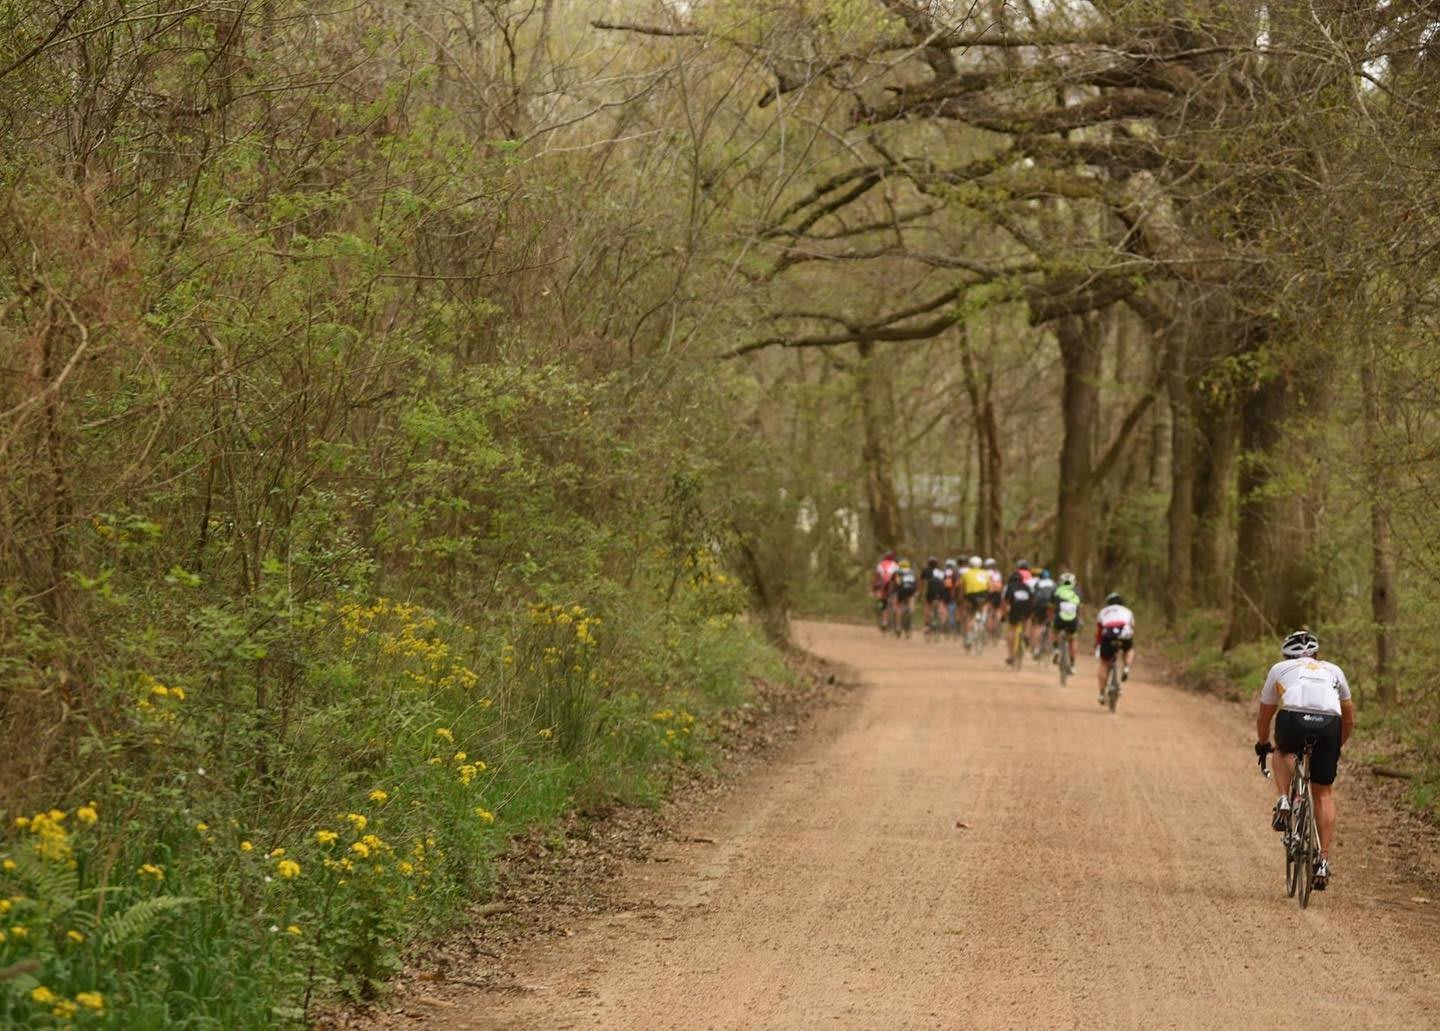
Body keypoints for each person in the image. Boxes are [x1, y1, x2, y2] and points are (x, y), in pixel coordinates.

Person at [1255, 630, 1354, 890]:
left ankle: (1285, 800)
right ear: (1317, 654)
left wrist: (1263, 744)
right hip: (1330, 726)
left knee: (1282, 751)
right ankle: (1322, 861)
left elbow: (1265, 716)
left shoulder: (1280, 668)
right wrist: (1334, 748)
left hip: (1293, 720)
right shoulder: (1334, 670)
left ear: (1286, 654)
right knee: (1323, 794)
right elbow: (1349, 718)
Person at [1094, 592, 1135, 704]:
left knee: (1104, 663)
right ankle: (1126, 666)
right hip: (1124, 632)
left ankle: (1102, 694)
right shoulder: (1128, 611)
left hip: (1108, 633)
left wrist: (1097, 644)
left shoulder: (1103, 611)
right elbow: (1131, 628)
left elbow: (1099, 632)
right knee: (1129, 649)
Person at [1001, 563, 1035, 666]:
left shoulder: (1009, 587)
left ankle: (1011, 656)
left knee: (1012, 629)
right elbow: (1032, 600)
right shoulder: (1027, 587)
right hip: (1027, 608)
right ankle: (1026, 635)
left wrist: (1004, 615)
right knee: (1027, 620)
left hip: (1015, 609)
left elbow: (1005, 603)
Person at [1051, 572, 1082, 667]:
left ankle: (1056, 649)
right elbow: (1080, 608)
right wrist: (1080, 619)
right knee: (1073, 639)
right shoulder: (1078, 592)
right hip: (1073, 620)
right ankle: (1072, 665)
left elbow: (1052, 607)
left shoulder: (1056, 591)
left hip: (1059, 619)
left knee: (1054, 631)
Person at [1028, 567, 1056, 655]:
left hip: (1040, 605)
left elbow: (1034, 596)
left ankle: (1036, 648)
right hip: (1051, 606)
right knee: (1051, 625)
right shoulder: (1053, 584)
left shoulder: (1038, 583)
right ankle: (1049, 646)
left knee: (1038, 625)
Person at [871, 551, 899, 632]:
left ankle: (884, 621)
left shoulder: (881, 564)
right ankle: (897, 625)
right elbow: (898, 577)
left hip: (884, 584)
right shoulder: (895, 565)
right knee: (895, 602)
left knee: (883, 602)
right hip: (893, 584)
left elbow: (876, 577)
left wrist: (873, 589)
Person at [961, 556, 989, 637]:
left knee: (970, 615)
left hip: (971, 596)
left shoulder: (966, 574)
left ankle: (969, 636)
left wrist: (962, 597)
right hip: (983, 595)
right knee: (985, 606)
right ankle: (983, 619)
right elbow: (989, 587)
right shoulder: (985, 573)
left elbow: (962, 587)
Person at [894, 558, 919, 637]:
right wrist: (916, 592)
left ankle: (898, 627)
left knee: (898, 607)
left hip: (902, 589)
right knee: (911, 603)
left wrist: (896, 591)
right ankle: (910, 620)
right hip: (912, 590)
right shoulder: (912, 572)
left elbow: (897, 582)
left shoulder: (898, 571)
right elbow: (916, 582)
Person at [923, 557, 946, 634]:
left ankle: (927, 626)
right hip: (941, 589)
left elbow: (923, 582)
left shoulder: (926, 570)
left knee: (927, 606)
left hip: (931, 589)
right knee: (940, 605)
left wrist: (921, 592)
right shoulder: (941, 571)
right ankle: (942, 625)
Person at [983, 558, 1004, 635]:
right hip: (997, 593)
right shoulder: (998, 573)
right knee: (998, 609)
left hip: (988, 593)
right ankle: (997, 625)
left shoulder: (984, 573)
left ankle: (987, 627)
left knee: (987, 609)